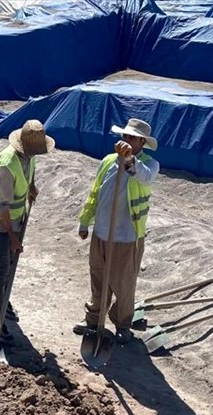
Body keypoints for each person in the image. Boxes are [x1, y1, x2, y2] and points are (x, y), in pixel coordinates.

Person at [74, 118, 161, 344]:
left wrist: (130, 160)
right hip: (101, 233)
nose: (126, 140)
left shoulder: (149, 165)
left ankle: (123, 324)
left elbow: (144, 177)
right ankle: (94, 318)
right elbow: (95, 193)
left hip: (127, 236)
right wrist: (85, 221)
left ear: (142, 141)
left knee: (123, 283)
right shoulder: (108, 161)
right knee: (98, 278)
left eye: (131, 138)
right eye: (124, 136)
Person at [0, 120, 49, 343]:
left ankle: (4, 301)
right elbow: (2, 206)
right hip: (0, 225)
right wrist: (12, 238)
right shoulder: (7, 164)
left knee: (10, 265)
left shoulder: (28, 158)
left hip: (16, 219)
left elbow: (28, 179)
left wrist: (31, 188)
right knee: (1, 269)